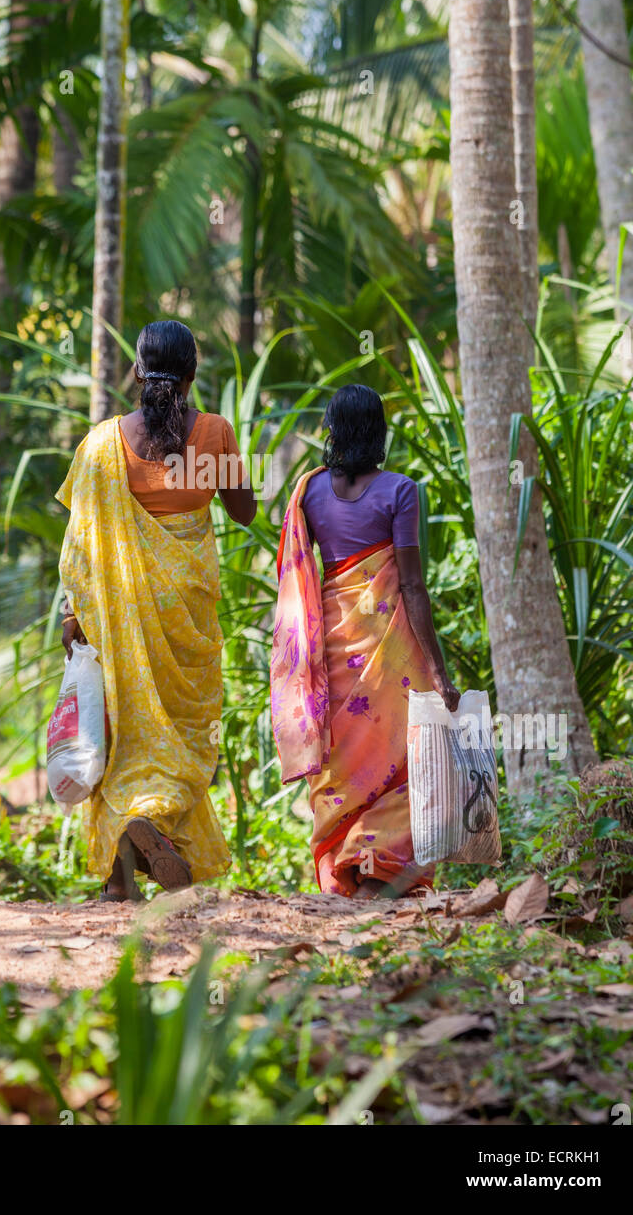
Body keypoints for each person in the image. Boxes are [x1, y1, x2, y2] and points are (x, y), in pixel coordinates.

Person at [56, 320, 257, 901]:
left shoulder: (100, 445)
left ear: (138, 371)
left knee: (124, 734)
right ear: (192, 374)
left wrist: (73, 617)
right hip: (186, 617)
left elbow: (79, 546)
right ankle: (156, 820)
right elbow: (244, 511)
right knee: (184, 733)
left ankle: (120, 879)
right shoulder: (214, 433)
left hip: (119, 621)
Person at [270, 383, 459, 900]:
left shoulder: (308, 494)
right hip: (390, 649)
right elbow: (413, 586)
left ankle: (348, 863)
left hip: (328, 652)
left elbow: (298, 572)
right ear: (379, 432)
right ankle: (378, 862)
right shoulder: (401, 491)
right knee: (401, 759)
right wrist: (440, 671)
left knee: (343, 767)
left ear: (331, 430)